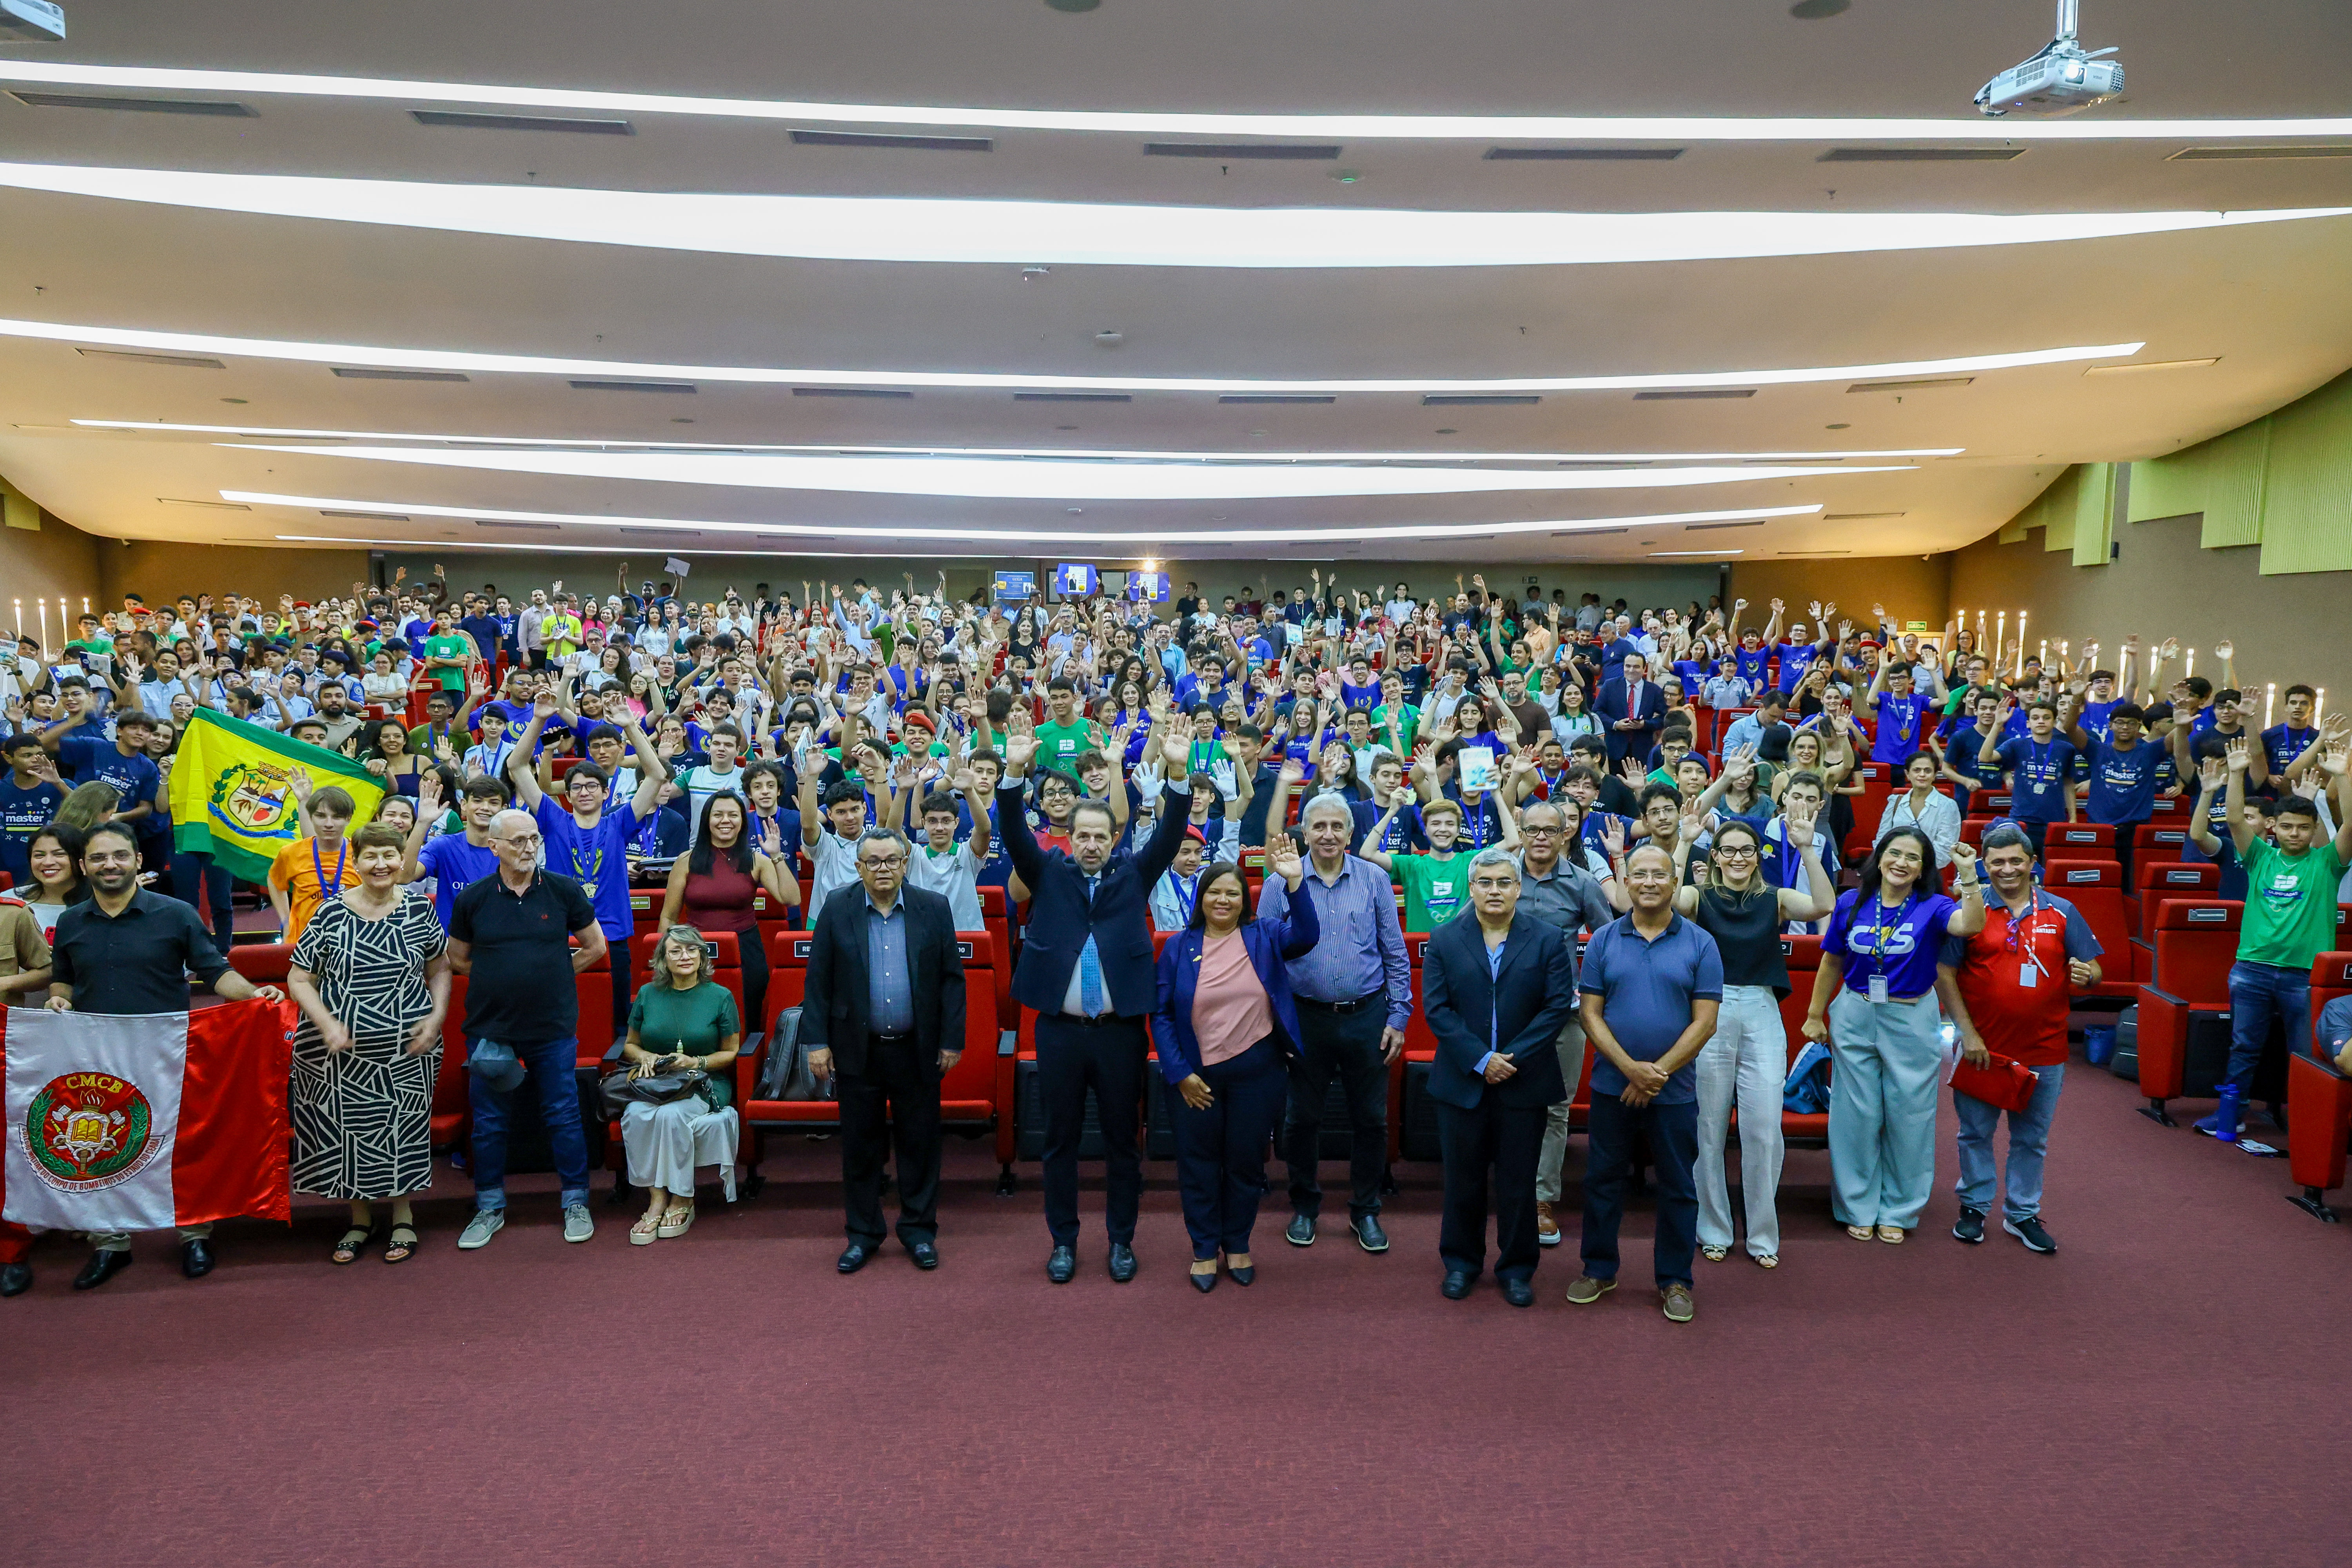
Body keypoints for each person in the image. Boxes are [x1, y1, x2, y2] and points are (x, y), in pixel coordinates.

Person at [44, 821, 287, 1290]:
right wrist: (59, 998)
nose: (109, 865)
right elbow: (63, 977)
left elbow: (214, 971)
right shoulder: (72, 921)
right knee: (99, 1148)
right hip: (95, 1056)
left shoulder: (176, 914)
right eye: (98, 858)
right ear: (83, 866)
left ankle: (194, 1234)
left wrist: (256, 996)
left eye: (119, 856)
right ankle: (109, 1243)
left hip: (167, 1051)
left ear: (138, 861)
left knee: (180, 1146)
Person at [996, 725, 1193, 1284]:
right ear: (1070, 838)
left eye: (1098, 836)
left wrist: (1178, 776)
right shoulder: (1047, 872)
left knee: (1121, 1143)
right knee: (1058, 1141)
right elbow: (1012, 831)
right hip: (1059, 1030)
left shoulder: (1133, 874)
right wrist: (1013, 775)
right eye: (1080, 835)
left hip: (1119, 1032)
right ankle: (1063, 1240)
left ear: (1112, 839)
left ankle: (1121, 1241)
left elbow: (1173, 833)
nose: (1088, 844)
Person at [1565, 843, 1724, 1322]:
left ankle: (1675, 1279)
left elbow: (1706, 1023)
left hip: (1674, 1092)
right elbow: (1589, 1015)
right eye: (1641, 874)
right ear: (1627, 882)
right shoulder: (1603, 941)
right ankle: (1599, 1268)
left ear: (1675, 882)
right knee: (1602, 1181)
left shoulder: (1701, 943)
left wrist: (1656, 1074)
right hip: (1614, 1086)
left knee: (1678, 1185)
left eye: (1661, 874)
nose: (1651, 882)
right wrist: (1632, 1069)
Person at [1803, 828, 1986, 1242]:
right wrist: (1816, 1014)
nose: (1902, 862)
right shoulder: (1851, 901)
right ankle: (1857, 1205)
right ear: (1880, 856)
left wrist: (1969, 874)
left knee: (1910, 1116)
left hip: (1911, 1016)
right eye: (1895, 853)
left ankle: (1900, 1209)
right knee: (1856, 1115)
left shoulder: (1935, 905)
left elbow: (1970, 924)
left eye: (1913, 857)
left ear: (1923, 868)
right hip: (1855, 1011)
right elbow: (1832, 960)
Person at [1670, 809, 1834, 1267]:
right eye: (1729, 850)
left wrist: (1805, 847)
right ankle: (1714, 1229)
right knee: (1709, 1127)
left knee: (1763, 1128)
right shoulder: (1701, 896)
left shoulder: (1775, 897)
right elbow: (1664, 898)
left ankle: (1763, 1234)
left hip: (1762, 1009)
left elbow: (1824, 905)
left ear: (1757, 856)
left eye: (1747, 850)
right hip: (1709, 1010)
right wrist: (1685, 840)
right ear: (1717, 856)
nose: (1738, 857)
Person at [1153, 840, 1318, 1291]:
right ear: (1201, 898)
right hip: (1195, 1076)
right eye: (1214, 892)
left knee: (1246, 1164)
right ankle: (1205, 1249)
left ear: (1244, 900)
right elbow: (1163, 1013)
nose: (1223, 900)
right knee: (1199, 1164)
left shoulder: (1264, 935)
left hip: (1258, 1071)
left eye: (1232, 893)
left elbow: (1306, 934)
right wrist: (1180, 1074)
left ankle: (1239, 1243)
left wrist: (1295, 883)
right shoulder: (1177, 947)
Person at [801, 828, 969, 1272]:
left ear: (905, 862)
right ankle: (863, 1234)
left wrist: (952, 1039)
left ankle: (918, 1231)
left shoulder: (933, 908)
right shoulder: (836, 907)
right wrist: (816, 1042)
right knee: (861, 1148)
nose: (883, 869)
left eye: (891, 861)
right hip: (857, 1049)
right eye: (873, 862)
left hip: (918, 1048)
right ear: (858, 867)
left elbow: (953, 979)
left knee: (920, 1144)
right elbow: (817, 982)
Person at [285, 822, 452, 1265]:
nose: (381, 864)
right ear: (355, 862)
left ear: (403, 860)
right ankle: (359, 1220)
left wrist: (436, 1018)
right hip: (338, 1052)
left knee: (401, 1131)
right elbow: (299, 978)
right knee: (346, 1134)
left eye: (389, 856)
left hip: (408, 1046)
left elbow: (440, 969)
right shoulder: (330, 914)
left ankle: (403, 1216)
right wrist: (326, 1023)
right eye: (371, 856)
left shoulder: (420, 910)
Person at [1934, 823, 2104, 1254]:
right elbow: (1945, 974)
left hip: (2044, 1050)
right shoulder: (1971, 910)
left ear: (2031, 863)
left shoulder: (2063, 911)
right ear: (1984, 866)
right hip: (1982, 1048)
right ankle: (1973, 1206)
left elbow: (2093, 969)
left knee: (2032, 1138)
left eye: (2015, 860)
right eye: (1996, 863)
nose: (2006, 869)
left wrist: (2089, 976)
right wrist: (1967, 1035)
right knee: (1975, 1133)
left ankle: (2022, 1212)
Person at [1420, 848, 1579, 1307]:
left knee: (1517, 1181)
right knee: (1463, 1181)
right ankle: (1461, 1263)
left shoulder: (1548, 939)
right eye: (1485, 882)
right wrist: (1480, 1059)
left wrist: (1508, 1058)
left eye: (1503, 882)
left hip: (1524, 1079)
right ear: (1472, 889)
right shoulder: (1446, 938)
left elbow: (1556, 1008)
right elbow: (1438, 1010)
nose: (1494, 890)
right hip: (1461, 1082)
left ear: (1518, 888)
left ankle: (1516, 1268)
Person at [446, 808, 608, 1250]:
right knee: (490, 1123)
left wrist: (555, 971)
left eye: (533, 839)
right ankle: (490, 1206)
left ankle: (576, 1202)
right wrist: (501, 975)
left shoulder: (562, 890)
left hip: (551, 1025)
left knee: (563, 1115)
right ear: (493, 846)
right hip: (490, 1028)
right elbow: (457, 958)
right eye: (517, 841)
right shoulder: (473, 899)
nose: (528, 848)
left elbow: (596, 947)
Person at [1258, 794, 1411, 1253]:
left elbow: (1395, 952)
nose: (1327, 834)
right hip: (1304, 1019)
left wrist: (1399, 1015)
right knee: (1301, 1120)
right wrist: (1273, 1025)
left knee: (1371, 1120)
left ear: (1350, 833)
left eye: (1336, 826)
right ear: (1304, 832)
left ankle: (1365, 1211)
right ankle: (1305, 1206)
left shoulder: (1375, 879)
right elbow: (1264, 960)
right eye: (1318, 825)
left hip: (1367, 1016)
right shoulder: (1277, 884)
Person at [2199, 732, 2352, 1136]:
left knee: (2304, 1054)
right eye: (2287, 827)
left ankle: (2308, 1123)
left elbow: (2351, 824)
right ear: (2274, 827)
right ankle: (2231, 1114)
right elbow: (2234, 819)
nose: (2295, 834)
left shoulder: (2328, 863)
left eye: (2303, 828)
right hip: (2252, 969)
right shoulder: (2259, 857)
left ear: (2314, 828)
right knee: (2243, 1048)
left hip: (2305, 975)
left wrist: (2344, 775)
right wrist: (2236, 775)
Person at [508, 695, 671, 1029]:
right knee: (561, 1019)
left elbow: (655, 775)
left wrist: (629, 725)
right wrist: (538, 720)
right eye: (577, 787)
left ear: (605, 793)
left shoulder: (619, 822)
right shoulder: (555, 820)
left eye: (592, 787)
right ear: (566, 795)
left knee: (614, 1023)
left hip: (613, 936)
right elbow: (517, 767)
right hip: (561, 936)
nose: (584, 792)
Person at [1506, 798, 1621, 1249]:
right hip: (1506, 1015)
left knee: (1555, 1108)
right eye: (1532, 829)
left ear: (1564, 835)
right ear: (1521, 830)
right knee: (1505, 1106)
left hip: (1563, 1016)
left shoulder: (1582, 882)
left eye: (1549, 831)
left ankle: (1540, 1198)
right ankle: (1507, 1191)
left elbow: (1609, 940)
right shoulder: (1499, 874)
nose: (1540, 838)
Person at [616, 923, 743, 1244]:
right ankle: (657, 1197)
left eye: (692, 950)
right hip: (657, 1083)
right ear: (663, 959)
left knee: (672, 1117)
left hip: (705, 1083)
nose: (685, 956)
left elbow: (731, 1052)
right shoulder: (648, 993)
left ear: (702, 956)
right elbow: (629, 1045)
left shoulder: (720, 996)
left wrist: (695, 1062)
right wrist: (645, 1057)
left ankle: (683, 1197)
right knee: (636, 1115)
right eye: (676, 951)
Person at [659, 793, 797, 1036]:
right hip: (694, 952)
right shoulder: (686, 861)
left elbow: (792, 899)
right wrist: (664, 959)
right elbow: (669, 917)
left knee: (745, 1024)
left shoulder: (757, 860)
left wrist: (776, 855)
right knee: (699, 1027)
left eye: (733, 815)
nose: (726, 821)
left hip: (746, 953)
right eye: (718, 815)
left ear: (743, 821)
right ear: (707, 821)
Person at [267, 780, 358, 947]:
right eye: (321, 816)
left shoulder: (361, 853)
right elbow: (274, 881)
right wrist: (285, 920)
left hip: (351, 943)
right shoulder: (291, 853)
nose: (329, 824)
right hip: (303, 944)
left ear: (349, 819)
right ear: (311, 817)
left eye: (337, 817)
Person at [1874, 751, 1961, 867]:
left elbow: (1945, 849)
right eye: (1917, 770)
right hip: (1894, 868)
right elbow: (1882, 840)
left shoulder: (1948, 806)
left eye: (1928, 771)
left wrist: (1916, 867)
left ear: (1935, 775)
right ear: (1908, 774)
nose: (1922, 774)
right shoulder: (1895, 803)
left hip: (1929, 872)